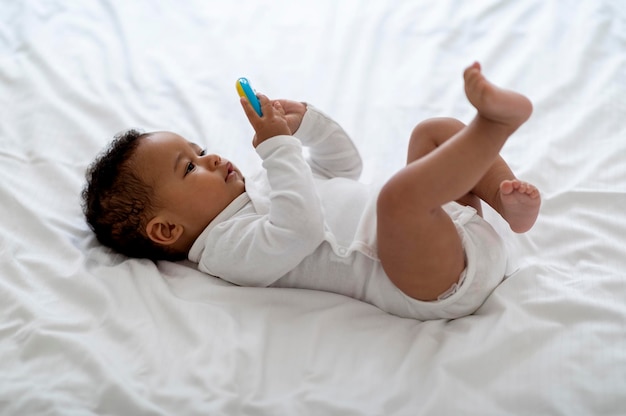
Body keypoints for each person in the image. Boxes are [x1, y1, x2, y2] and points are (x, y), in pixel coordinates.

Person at [83, 62, 540, 320]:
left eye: (200, 150)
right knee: (396, 199)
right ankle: (493, 126)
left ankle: (503, 204)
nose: (213, 159)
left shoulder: (265, 185)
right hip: (433, 282)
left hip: (450, 230)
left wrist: (307, 126)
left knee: (432, 132)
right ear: (166, 229)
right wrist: (279, 149)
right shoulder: (225, 249)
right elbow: (301, 230)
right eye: (190, 168)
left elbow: (345, 170)